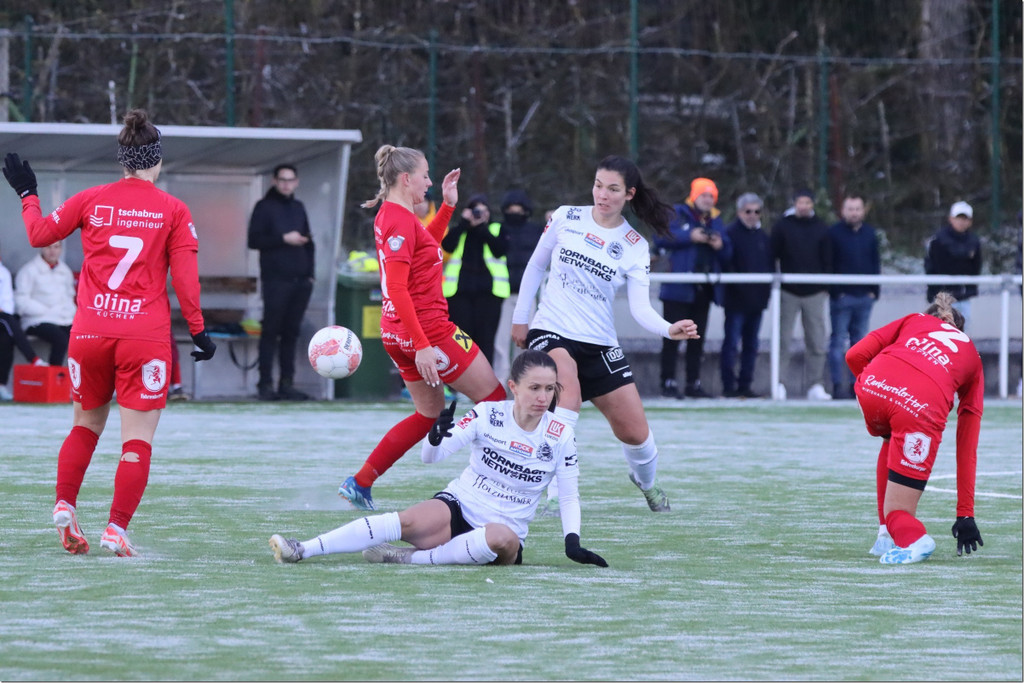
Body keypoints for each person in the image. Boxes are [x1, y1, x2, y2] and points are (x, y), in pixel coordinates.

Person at [2, 108, 217, 557]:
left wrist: (28, 194)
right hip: (144, 338)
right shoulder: (174, 210)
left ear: (122, 160)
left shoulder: (91, 199)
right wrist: (199, 332)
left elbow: (39, 234)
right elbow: (186, 281)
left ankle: (65, 503)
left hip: (89, 334)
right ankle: (116, 528)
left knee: (85, 425)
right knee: (136, 439)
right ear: (157, 160)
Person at [271, 350, 606, 568]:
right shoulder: (488, 414)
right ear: (513, 387)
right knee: (404, 521)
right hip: (460, 506)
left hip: (503, 534)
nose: (543, 397)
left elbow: (568, 495)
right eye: (535, 388)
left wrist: (572, 541)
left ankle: (410, 559)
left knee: (501, 538)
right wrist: (434, 438)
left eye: (549, 389)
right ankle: (303, 549)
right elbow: (431, 458)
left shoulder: (561, 434)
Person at [511, 155, 700, 513]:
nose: (602, 195)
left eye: (613, 189)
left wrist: (668, 329)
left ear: (629, 194)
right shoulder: (566, 217)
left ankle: (647, 484)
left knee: (637, 435)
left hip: (599, 343)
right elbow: (536, 266)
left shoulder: (634, 244)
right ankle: (555, 494)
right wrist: (521, 318)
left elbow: (640, 308)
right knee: (566, 396)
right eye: (598, 185)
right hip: (551, 329)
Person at [337, 145, 507, 511]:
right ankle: (490, 485)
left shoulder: (393, 215)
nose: (430, 182)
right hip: (429, 331)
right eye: (426, 176)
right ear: (405, 178)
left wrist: (447, 206)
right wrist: (424, 345)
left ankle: (361, 482)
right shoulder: (398, 220)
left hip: (397, 332)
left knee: (428, 414)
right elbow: (399, 288)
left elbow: (425, 246)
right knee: (495, 400)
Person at [846, 292, 984, 565]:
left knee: (891, 437)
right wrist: (965, 513)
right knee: (899, 512)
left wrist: (876, 385)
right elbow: (966, 444)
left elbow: (854, 355)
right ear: (961, 329)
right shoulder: (972, 357)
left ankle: (885, 535)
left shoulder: (914, 319)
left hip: (872, 388)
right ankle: (915, 540)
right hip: (920, 408)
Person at [653, 177, 731, 398]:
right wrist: (690, 236)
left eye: (711, 196)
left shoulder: (715, 220)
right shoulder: (677, 213)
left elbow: (728, 253)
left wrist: (720, 245)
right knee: (671, 337)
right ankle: (668, 382)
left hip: (703, 290)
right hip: (677, 289)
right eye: (703, 195)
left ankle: (693, 383)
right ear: (694, 196)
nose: (707, 200)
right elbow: (660, 237)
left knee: (697, 339)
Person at [247, 163, 315, 401]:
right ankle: (265, 384)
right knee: (271, 331)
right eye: (282, 180)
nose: (286, 184)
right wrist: (283, 238)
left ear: (296, 182)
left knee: (291, 333)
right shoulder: (264, 207)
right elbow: (254, 240)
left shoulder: (298, 207)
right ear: (274, 181)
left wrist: (310, 275)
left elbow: (309, 242)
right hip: (276, 281)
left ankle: (287, 383)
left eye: (290, 180)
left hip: (300, 282)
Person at [771, 188, 833, 400]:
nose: (804, 206)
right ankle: (778, 382)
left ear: (812, 204)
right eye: (800, 202)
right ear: (794, 203)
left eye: (807, 202)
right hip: (788, 292)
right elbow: (772, 255)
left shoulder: (821, 227)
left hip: (815, 293)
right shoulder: (782, 226)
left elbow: (828, 259)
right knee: (783, 340)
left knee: (816, 340)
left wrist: (825, 287)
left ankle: (815, 384)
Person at [441, 193, 510, 366]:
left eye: (483, 211)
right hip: (460, 294)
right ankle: (463, 378)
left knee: (486, 339)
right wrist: (464, 223)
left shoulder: (496, 229)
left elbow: (500, 250)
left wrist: (482, 228)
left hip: (489, 294)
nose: (478, 215)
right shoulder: (460, 230)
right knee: (461, 340)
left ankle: (485, 378)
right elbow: (447, 245)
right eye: (475, 211)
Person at [827, 195, 880, 399]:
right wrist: (836, 292)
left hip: (864, 297)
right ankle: (837, 386)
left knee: (860, 344)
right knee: (837, 342)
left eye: (857, 209)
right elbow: (829, 263)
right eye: (850, 209)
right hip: (842, 298)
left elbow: (875, 262)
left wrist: (874, 290)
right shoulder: (834, 233)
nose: (854, 213)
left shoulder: (870, 233)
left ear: (863, 211)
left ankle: (855, 386)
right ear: (843, 211)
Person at [720, 193, 771, 398]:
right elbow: (726, 263)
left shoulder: (763, 237)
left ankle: (745, 385)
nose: (752, 215)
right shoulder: (730, 233)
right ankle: (728, 386)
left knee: (751, 345)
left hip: (756, 302)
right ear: (739, 212)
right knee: (731, 344)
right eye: (748, 211)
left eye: (756, 211)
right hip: (736, 301)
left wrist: (764, 295)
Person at [493, 188, 545, 384]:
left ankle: (522, 380)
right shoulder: (499, 230)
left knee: (525, 341)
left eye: (518, 208)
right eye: (511, 208)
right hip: (504, 295)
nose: (515, 212)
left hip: (528, 296)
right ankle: (499, 381)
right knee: (501, 341)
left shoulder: (536, 230)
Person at [14, 240, 76, 366]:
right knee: (60, 339)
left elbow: (69, 298)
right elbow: (20, 301)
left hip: (62, 319)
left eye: (56, 247)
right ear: (41, 248)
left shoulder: (65, 271)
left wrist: (70, 314)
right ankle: (54, 373)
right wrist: (44, 311)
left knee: (80, 336)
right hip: (36, 320)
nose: (52, 251)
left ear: (61, 249)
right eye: (48, 247)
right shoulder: (29, 270)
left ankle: (74, 375)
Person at [924, 201, 981, 330]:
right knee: (940, 330)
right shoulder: (938, 239)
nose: (962, 222)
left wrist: (970, 289)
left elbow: (976, 267)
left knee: (962, 331)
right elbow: (931, 267)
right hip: (942, 297)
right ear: (951, 218)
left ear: (970, 221)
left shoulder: (974, 240)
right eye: (958, 218)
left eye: (965, 218)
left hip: (963, 296)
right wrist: (934, 293)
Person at [0, 241, 46, 400]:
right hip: (5, 318)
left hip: (4, 317)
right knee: (9, 323)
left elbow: (7, 304)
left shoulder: (4, 272)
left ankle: (1, 385)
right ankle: (33, 359)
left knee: (7, 337)